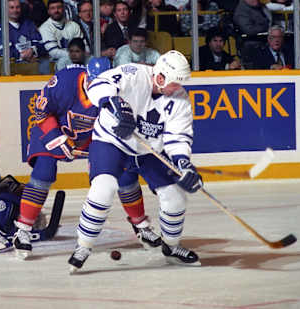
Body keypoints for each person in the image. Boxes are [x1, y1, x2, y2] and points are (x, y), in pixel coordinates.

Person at [68, 50, 203, 273]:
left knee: (176, 196)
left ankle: (171, 247)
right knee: (104, 187)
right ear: (160, 77)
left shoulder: (179, 98)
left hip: (149, 150)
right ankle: (83, 246)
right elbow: (98, 84)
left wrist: (183, 163)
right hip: (112, 141)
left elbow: (178, 136)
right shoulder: (134, 73)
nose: (178, 88)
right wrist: (114, 105)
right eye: (174, 83)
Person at [12, 57, 112, 259]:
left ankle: (141, 226)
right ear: (87, 76)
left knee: (108, 177)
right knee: (43, 173)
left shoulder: (116, 89)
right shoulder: (65, 81)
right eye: (94, 82)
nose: (97, 87)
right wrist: (56, 138)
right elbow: (41, 111)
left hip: (90, 138)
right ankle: (22, 230)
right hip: (53, 130)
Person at [0, 0, 46, 67]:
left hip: (34, 61)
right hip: (13, 66)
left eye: (17, 7)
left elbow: (40, 44)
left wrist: (32, 51)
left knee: (47, 64)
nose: (15, 10)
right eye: (12, 7)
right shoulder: (0, 28)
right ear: (6, 9)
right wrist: (22, 56)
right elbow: (2, 52)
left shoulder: (29, 24)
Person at [39, 0, 84, 64]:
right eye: (53, 8)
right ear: (48, 11)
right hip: (54, 65)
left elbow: (83, 46)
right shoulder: (45, 28)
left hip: (77, 63)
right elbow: (53, 52)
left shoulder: (74, 25)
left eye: (59, 7)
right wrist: (75, 55)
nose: (56, 10)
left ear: (63, 9)